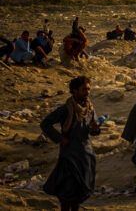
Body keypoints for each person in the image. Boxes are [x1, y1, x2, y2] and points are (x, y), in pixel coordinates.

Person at [40, 76, 101, 211]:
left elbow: (92, 130)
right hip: (69, 155)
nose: (87, 92)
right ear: (74, 91)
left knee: (80, 189)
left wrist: (96, 129)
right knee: (67, 189)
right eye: (84, 89)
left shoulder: (90, 108)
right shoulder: (66, 109)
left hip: (86, 154)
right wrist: (60, 138)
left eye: (89, 89)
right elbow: (45, 124)